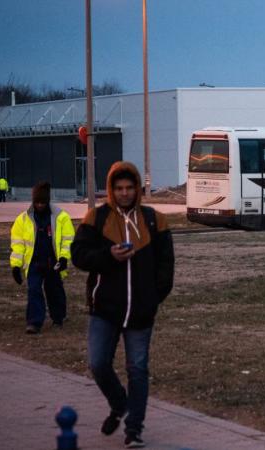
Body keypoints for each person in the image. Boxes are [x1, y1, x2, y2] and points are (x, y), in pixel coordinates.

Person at [71, 161, 175, 448]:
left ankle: (134, 430)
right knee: (98, 363)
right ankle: (119, 403)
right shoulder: (97, 218)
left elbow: (166, 265)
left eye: (130, 188)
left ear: (137, 189)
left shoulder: (155, 220)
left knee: (138, 369)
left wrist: (153, 299)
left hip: (141, 311)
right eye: (119, 188)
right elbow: (78, 254)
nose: (125, 193)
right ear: (111, 190)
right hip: (105, 309)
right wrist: (108, 256)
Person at [9, 182, 75, 334]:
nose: (39, 205)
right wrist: (16, 266)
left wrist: (64, 258)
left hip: (53, 262)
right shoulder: (23, 219)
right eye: (37, 202)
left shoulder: (61, 217)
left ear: (47, 201)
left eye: (42, 202)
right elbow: (17, 245)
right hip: (34, 263)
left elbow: (68, 240)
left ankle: (58, 318)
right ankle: (34, 322)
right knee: (34, 290)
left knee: (54, 290)